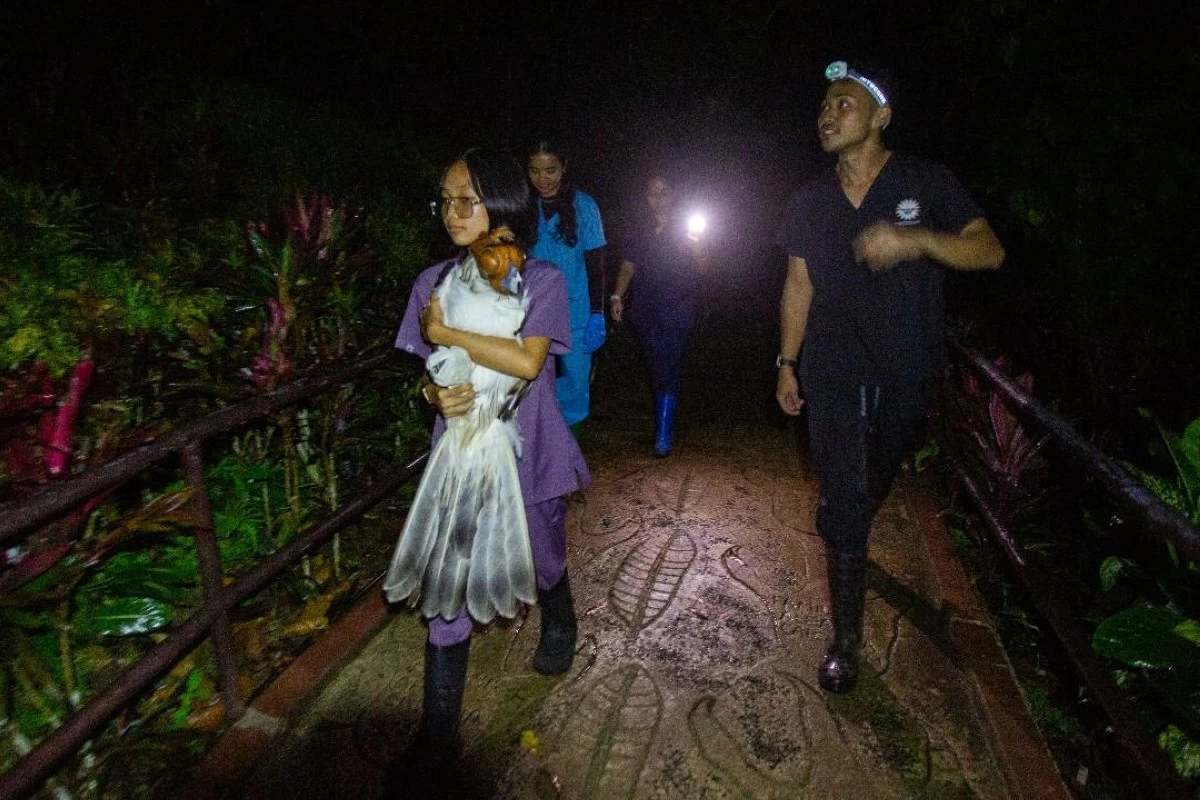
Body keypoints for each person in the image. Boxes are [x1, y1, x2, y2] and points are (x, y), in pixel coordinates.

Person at [775, 61, 1004, 694]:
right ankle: (845, 641)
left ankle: (850, 513)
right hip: (832, 368)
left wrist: (919, 241)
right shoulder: (807, 202)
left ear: (880, 117)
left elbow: (990, 251)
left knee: (871, 481)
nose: (827, 113)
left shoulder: (925, 181)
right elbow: (799, 283)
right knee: (847, 500)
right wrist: (786, 362)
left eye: (843, 103)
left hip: (907, 366)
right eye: (823, 105)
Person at [390, 148, 589, 767]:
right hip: (461, 459)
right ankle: (438, 732)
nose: (452, 212)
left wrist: (448, 333)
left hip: (529, 453)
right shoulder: (433, 283)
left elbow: (529, 362)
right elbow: (427, 374)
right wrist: (434, 392)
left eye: (465, 199)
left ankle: (559, 618)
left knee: (545, 558)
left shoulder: (544, 280)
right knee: (447, 585)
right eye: (445, 200)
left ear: (500, 204)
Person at [610, 174, 709, 457]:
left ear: (673, 194)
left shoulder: (687, 227)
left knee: (670, 361)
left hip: (678, 305)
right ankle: (664, 419)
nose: (658, 198)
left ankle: (663, 433)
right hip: (644, 308)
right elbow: (628, 266)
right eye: (652, 192)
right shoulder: (639, 229)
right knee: (656, 365)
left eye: (664, 191)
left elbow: (704, 270)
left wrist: (698, 248)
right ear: (646, 196)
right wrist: (617, 296)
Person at [526, 140, 608, 434]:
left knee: (573, 393)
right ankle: (543, 466)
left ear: (564, 167)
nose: (542, 179)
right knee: (536, 391)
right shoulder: (525, 207)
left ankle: (568, 464)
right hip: (534, 317)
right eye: (534, 170)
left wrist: (598, 313)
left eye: (550, 170)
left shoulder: (583, 205)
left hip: (576, 315)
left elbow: (596, 262)